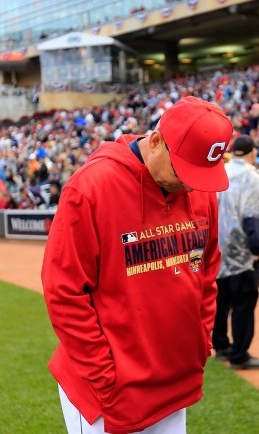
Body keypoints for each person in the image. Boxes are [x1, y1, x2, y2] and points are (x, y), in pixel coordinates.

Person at [42, 96, 234, 434]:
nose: (190, 184)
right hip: (110, 394)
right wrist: (106, 378)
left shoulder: (199, 188)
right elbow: (64, 292)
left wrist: (199, 342)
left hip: (175, 381)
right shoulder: (91, 187)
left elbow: (207, 270)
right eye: (184, 171)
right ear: (157, 142)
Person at [213, 134, 259, 370]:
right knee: (243, 304)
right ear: (253, 153)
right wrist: (257, 250)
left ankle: (221, 346)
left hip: (217, 251)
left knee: (220, 302)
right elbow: (254, 217)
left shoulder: (220, 172)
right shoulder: (253, 178)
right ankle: (239, 354)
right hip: (244, 254)